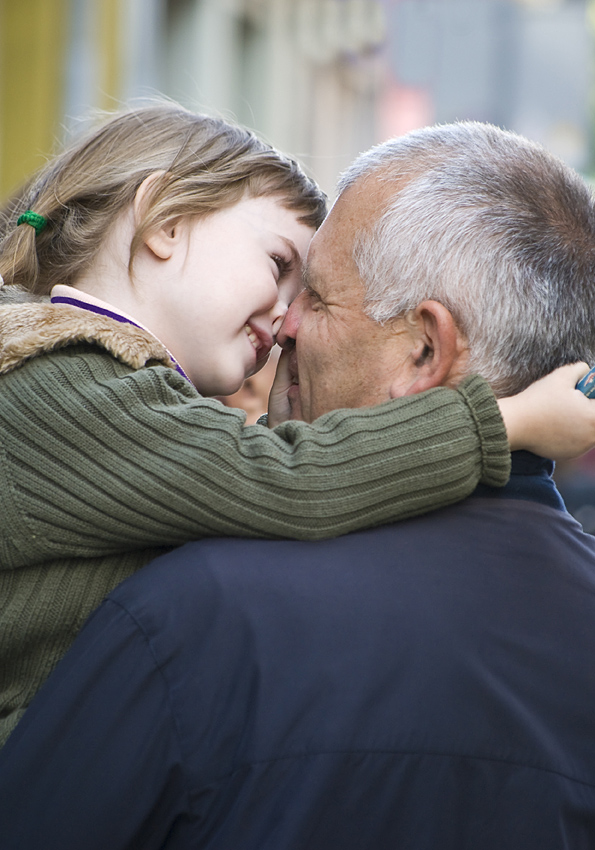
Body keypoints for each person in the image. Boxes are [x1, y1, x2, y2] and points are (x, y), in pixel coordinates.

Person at [2, 121, 595, 849]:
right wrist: (511, 421)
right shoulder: (65, 384)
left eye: (309, 292)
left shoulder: (199, 606)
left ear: (423, 349)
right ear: (162, 223)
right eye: (281, 267)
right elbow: (286, 475)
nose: (284, 324)